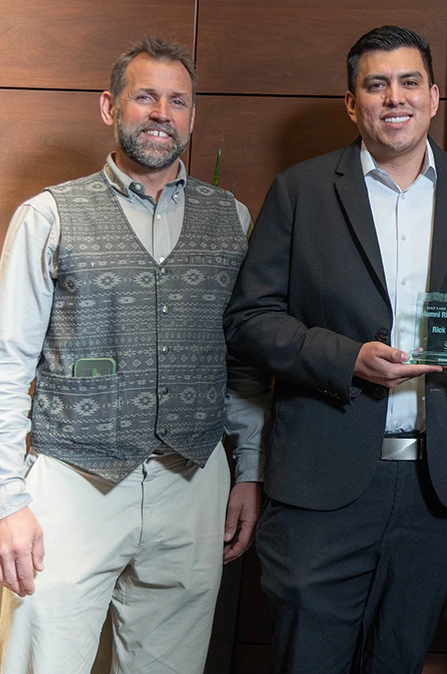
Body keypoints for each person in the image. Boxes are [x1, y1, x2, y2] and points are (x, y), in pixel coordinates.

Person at [223, 25, 447, 674]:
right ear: (352, 101)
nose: (395, 98)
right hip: (321, 484)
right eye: (377, 84)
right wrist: (345, 359)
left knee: (398, 659)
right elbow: (250, 320)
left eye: (410, 82)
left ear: (434, 96)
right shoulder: (301, 190)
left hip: (436, 488)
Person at [0, 37, 269, 673]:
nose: (161, 114)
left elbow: (244, 366)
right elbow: (7, 364)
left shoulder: (232, 219)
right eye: (145, 97)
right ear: (109, 107)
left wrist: (249, 470)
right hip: (72, 481)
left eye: (177, 101)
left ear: (192, 117)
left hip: (194, 482)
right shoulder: (48, 216)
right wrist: (8, 500)